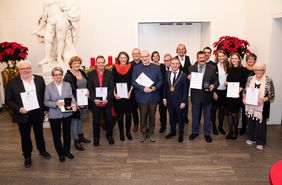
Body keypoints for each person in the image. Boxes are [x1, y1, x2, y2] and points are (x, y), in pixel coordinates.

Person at [5, 60, 51, 168]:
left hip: (37, 112)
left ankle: (42, 150)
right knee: (25, 136)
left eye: (28, 68)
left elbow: (44, 95)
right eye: (23, 68)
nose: (26, 70)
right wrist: (18, 108)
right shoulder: (13, 82)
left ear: (31, 69)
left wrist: (45, 109)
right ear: (19, 70)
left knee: (39, 133)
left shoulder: (39, 79)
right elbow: (8, 100)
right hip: (23, 113)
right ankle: (27, 156)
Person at [44, 67, 76, 162]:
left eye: (59, 74)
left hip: (67, 113)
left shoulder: (67, 85)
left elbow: (71, 97)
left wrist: (74, 104)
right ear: (53, 76)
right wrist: (55, 104)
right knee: (56, 135)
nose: (58, 76)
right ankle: (60, 153)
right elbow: (46, 102)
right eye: (56, 75)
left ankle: (66, 151)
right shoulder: (48, 87)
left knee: (67, 134)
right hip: (54, 114)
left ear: (62, 75)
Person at [34, 0, 80, 65]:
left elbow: (69, 8)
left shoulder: (61, 2)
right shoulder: (46, 2)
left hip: (60, 19)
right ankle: (47, 57)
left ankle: (59, 57)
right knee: (47, 39)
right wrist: (39, 28)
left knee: (60, 39)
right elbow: (44, 15)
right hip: (50, 19)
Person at [132, 50, 163, 143]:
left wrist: (155, 88)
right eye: (143, 56)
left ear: (149, 56)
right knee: (143, 116)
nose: (144, 58)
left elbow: (161, 80)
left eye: (146, 56)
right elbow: (133, 82)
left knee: (152, 116)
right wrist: (142, 88)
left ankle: (151, 132)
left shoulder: (156, 67)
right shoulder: (136, 68)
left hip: (153, 96)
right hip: (141, 97)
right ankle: (143, 132)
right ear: (141, 57)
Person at [188, 51, 219, 143]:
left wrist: (214, 85)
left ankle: (207, 133)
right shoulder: (191, 68)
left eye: (203, 58)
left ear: (206, 58)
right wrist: (188, 78)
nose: (201, 59)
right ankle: (194, 132)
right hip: (196, 96)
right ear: (197, 58)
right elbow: (188, 81)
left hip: (207, 95)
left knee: (207, 116)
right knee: (195, 116)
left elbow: (216, 81)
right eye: (200, 58)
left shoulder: (212, 68)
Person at [243, 62, 274, 150]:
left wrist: (263, 99)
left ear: (264, 71)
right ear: (254, 70)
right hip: (250, 105)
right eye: (256, 70)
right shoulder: (250, 78)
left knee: (261, 125)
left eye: (261, 70)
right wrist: (244, 97)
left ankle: (260, 142)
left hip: (263, 106)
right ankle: (251, 138)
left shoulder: (268, 80)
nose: (259, 72)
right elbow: (245, 90)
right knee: (250, 122)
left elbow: (272, 95)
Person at [63, 56, 91, 151]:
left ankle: (81, 136)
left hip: (83, 100)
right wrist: (74, 103)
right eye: (74, 63)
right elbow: (67, 91)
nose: (77, 65)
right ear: (71, 64)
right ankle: (76, 141)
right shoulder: (68, 76)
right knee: (74, 121)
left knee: (80, 119)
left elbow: (87, 84)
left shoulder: (82, 72)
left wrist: (88, 90)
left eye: (78, 63)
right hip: (74, 102)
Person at [88, 56, 114, 147]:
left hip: (107, 101)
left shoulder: (109, 73)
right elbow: (90, 88)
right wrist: (94, 99)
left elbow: (111, 87)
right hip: (95, 101)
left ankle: (109, 135)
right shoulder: (91, 74)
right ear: (96, 63)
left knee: (109, 120)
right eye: (99, 62)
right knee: (95, 121)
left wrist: (107, 99)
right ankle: (96, 137)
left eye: (102, 62)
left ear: (105, 63)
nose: (101, 64)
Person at [163, 58, 188, 142]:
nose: (174, 65)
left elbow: (185, 90)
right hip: (169, 100)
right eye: (173, 63)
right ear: (170, 64)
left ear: (179, 65)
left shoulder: (183, 75)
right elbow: (166, 87)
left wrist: (184, 101)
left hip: (179, 101)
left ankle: (181, 134)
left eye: (176, 63)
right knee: (171, 117)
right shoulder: (167, 73)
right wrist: (164, 98)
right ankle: (172, 131)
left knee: (180, 118)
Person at [112, 51, 134, 141]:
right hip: (118, 95)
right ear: (119, 59)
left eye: (125, 58)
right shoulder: (114, 68)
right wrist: (114, 93)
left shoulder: (131, 67)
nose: (123, 59)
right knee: (120, 116)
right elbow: (112, 82)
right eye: (121, 58)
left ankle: (128, 132)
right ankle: (121, 133)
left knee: (128, 115)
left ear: (127, 58)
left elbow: (133, 80)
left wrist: (130, 91)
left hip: (128, 94)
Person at [225, 53, 246, 140]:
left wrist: (237, 92)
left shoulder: (243, 69)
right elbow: (229, 81)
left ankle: (235, 131)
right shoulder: (229, 69)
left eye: (235, 58)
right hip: (229, 94)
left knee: (235, 113)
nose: (233, 60)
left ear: (239, 59)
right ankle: (230, 131)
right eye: (232, 58)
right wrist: (226, 82)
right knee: (230, 113)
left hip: (237, 95)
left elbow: (243, 83)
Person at [211, 50, 228, 135]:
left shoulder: (227, 66)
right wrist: (213, 92)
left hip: (224, 91)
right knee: (214, 110)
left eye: (223, 56)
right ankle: (214, 127)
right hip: (216, 91)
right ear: (217, 57)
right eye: (220, 56)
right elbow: (212, 80)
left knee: (221, 109)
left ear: (225, 56)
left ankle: (220, 127)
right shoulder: (214, 66)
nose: (221, 57)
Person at [240, 53, 257, 135]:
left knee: (252, 111)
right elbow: (241, 81)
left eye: (252, 59)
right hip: (244, 93)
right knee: (244, 111)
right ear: (246, 60)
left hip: (254, 94)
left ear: (255, 61)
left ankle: (251, 129)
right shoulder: (242, 69)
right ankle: (243, 128)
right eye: (249, 59)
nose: (250, 60)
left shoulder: (257, 70)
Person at [175, 43, 191, 124]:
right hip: (177, 84)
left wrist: (190, 75)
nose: (181, 50)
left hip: (186, 83)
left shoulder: (188, 58)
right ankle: (178, 117)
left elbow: (190, 69)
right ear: (177, 51)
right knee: (178, 100)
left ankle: (185, 116)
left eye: (182, 49)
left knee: (185, 100)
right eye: (179, 49)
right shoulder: (174, 59)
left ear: (185, 50)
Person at [158, 54, 172, 133]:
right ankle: (163, 126)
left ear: (171, 60)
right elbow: (159, 79)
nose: (166, 62)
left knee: (172, 111)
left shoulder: (175, 67)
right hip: (162, 94)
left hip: (172, 94)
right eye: (165, 60)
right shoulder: (160, 67)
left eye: (168, 60)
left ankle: (172, 126)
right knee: (162, 111)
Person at [130, 48, 141, 132]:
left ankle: (144, 124)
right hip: (133, 90)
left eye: (137, 53)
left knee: (143, 109)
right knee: (133, 109)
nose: (136, 55)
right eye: (134, 53)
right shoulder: (129, 65)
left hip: (142, 90)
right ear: (132, 55)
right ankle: (136, 124)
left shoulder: (144, 63)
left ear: (140, 54)